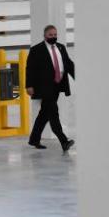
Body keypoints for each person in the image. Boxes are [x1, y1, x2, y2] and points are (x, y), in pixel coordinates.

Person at [27, 24, 76, 153]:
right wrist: (29, 85)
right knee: (53, 112)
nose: (53, 37)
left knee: (44, 114)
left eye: (55, 35)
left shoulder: (61, 47)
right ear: (44, 36)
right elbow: (30, 69)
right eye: (50, 35)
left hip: (57, 86)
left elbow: (69, 65)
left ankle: (34, 139)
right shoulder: (36, 50)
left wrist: (80, 77)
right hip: (43, 87)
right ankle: (64, 141)